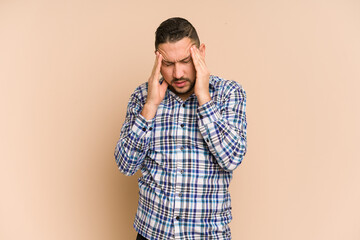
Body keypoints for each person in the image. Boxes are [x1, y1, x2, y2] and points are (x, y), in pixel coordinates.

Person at [114, 17, 247, 240]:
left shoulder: (228, 93)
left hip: (206, 235)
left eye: (185, 61)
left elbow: (232, 158)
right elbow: (125, 165)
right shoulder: (141, 97)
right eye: (168, 64)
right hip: (152, 233)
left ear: (201, 52)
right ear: (157, 59)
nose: (177, 74)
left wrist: (204, 97)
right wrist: (150, 106)